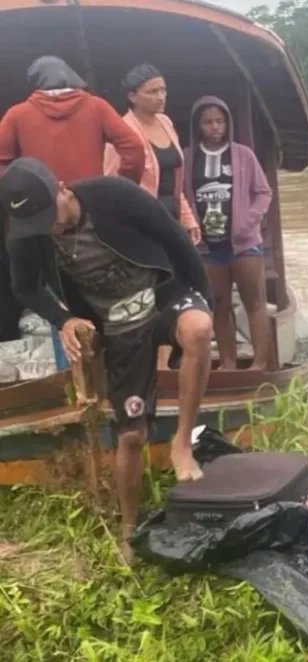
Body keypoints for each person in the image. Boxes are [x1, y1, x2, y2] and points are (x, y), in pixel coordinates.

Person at [1, 157, 214, 560]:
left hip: (165, 295)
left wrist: (207, 303)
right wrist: (64, 319)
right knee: (130, 435)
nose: (51, 228)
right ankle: (129, 531)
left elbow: (178, 243)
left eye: (52, 215)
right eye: (39, 225)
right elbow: (25, 288)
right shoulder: (26, 238)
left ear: (62, 187)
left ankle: (182, 442)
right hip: (117, 328)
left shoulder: (115, 195)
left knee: (199, 330)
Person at [182, 97, 273, 371]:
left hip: (244, 244)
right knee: (219, 306)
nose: (215, 127)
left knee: (254, 302)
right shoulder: (187, 157)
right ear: (198, 125)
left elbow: (263, 192)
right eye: (208, 122)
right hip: (209, 248)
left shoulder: (242, 154)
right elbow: (181, 196)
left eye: (220, 121)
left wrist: (247, 219)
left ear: (227, 124)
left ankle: (259, 364)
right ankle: (229, 364)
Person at [0, 56, 144, 183]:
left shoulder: (17, 114)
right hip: (90, 201)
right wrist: (125, 184)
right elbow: (133, 145)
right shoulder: (97, 107)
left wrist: (19, 191)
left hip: (40, 206)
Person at [105, 64, 199, 243]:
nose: (160, 97)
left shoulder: (166, 123)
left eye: (163, 90)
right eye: (152, 92)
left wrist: (187, 219)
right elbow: (112, 185)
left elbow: (175, 184)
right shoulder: (122, 131)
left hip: (172, 219)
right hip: (141, 225)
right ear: (132, 96)